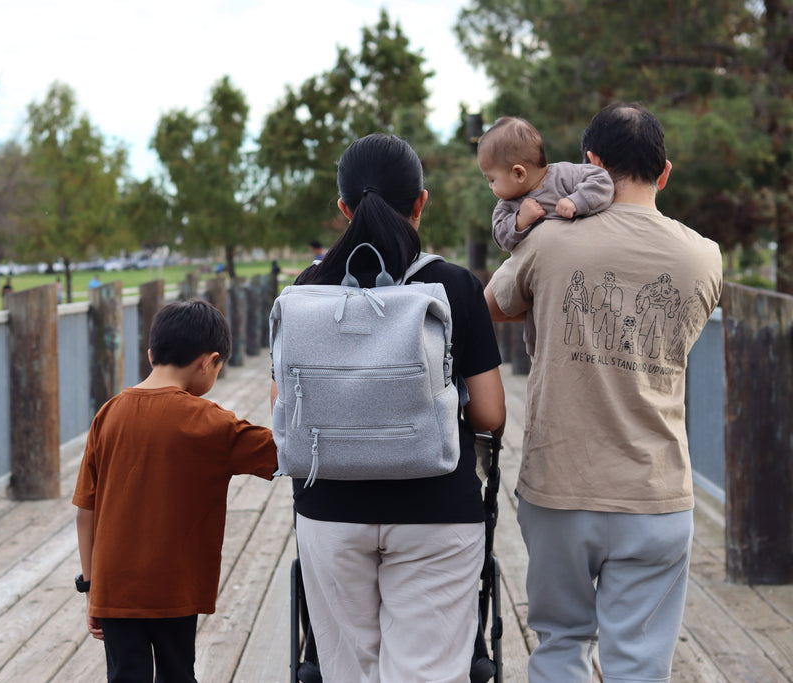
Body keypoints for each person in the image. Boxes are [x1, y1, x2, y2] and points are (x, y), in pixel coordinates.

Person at [485, 103, 723, 682]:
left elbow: (490, 306)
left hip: (560, 486)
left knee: (561, 645)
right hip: (657, 490)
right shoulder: (703, 256)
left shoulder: (549, 240)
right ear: (664, 172)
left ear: (591, 162)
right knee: (640, 665)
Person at [282, 133, 506, 682]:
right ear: (420, 201)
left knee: (348, 673)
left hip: (330, 510)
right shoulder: (454, 284)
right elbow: (490, 415)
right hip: (437, 508)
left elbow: (282, 407)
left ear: (344, 209)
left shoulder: (307, 289)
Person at [73, 299, 278, 683]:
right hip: (175, 588)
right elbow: (285, 452)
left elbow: (86, 511)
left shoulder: (108, 414)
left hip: (114, 590)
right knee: (178, 674)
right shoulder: (214, 424)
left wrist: (89, 588)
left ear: (151, 354)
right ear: (209, 362)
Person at [477, 116, 614, 356]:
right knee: (541, 335)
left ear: (518, 173)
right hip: (543, 285)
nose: (491, 187)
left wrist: (576, 201)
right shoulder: (508, 206)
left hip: (584, 274)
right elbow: (501, 237)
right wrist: (520, 220)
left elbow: (602, 181)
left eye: (492, 180)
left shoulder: (566, 175)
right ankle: (539, 356)